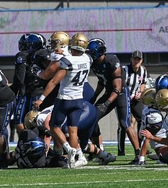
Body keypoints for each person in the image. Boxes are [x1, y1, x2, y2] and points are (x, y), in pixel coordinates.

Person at [34, 32, 92, 168]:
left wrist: (41, 99)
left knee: (54, 127)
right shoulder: (87, 59)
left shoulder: (67, 62)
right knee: (73, 130)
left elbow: (53, 81)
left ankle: (69, 150)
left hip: (65, 98)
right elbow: (78, 56)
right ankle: (79, 156)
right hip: (78, 99)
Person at [86, 38, 141, 163]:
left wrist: (106, 103)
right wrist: (94, 97)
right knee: (92, 118)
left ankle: (139, 154)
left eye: (91, 52)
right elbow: (101, 81)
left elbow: (117, 88)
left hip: (120, 93)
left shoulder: (112, 61)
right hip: (108, 92)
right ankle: (99, 152)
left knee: (125, 123)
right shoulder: (94, 63)